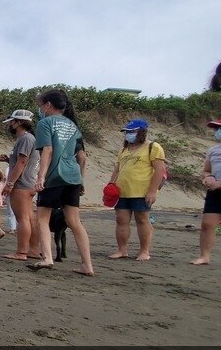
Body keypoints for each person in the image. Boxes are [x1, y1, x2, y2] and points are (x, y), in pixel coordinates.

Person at [28, 89, 94, 276]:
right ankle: (87, 265)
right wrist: (80, 179)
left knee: (42, 217)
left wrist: (41, 177)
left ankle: (47, 258)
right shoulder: (73, 126)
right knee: (74, 221)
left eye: (41, 105)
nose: (40, 108)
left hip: (55, 176)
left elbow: (47, 150)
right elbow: (82, 156)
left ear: (48, 104)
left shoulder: (45, 123)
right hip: (73, 176)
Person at [107, 119, 166, 261]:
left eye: (132, 132)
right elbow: (117, 169)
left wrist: (152, 191)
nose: (128, 134)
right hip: (122, 192)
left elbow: (159, 170)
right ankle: (122, 250)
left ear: (141, 132)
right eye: (127, 132)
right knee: (121, 220)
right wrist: (110, 184)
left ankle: (144, 251)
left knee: (142, 219)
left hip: (141, 192)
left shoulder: (153, 147)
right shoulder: (124, 149)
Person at [1, 110, 41, 261]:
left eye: (12, 122)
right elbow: (23, 161)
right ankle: (34, 250)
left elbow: (22, 161)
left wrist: (10, 183)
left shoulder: (25, 138)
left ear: (18, 122)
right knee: (30, 218)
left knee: (22, 218)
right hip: (28, 183)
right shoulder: (30, 138)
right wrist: (8, 160)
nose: (10, 125)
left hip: (21, 184)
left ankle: (21, 252)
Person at [191, 118, 221, 265]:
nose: (217, 132)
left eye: (219, 128)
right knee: (208, 224)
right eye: (216, 129)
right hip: (215, 192)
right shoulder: (213, 150)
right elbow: (206, 170)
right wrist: (208, 177)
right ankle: (204, 256)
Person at [0, 154, 17, 234]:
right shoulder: (9, 168)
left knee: (15, 210)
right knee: (10, 210)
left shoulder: (13, 167)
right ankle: (13, 227)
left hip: (15, 189)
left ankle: (16, 227)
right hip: (10, 189)